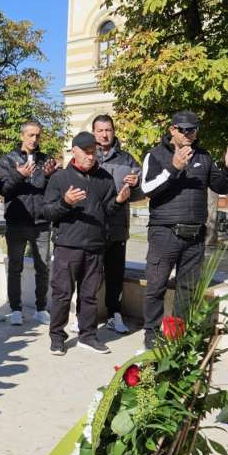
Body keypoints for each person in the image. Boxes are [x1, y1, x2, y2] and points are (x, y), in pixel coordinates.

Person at [140, 110, 228, 350]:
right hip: (165, 232)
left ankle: (175, 337)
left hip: (195, 234)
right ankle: (151, 336)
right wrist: (173, 168)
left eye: (192, 130)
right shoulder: (156, 155)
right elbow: (147, 188)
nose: (188, 134)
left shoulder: (203, 156)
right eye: (183, 130)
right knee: (156, 286)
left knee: (187, 290)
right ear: (172, 130)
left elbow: (221, 186)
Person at [44, 131, 132, 356]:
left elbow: (108, 209)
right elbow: (47, 212)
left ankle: (88, 335)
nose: (91, 157)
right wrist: (65, 202)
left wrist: (119, 201)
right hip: (67, 247)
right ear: (74, 151)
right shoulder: (60, 178)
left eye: (94, 152)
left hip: (95, 247)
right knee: (62, 294)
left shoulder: (104, 178)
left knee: (89, 295)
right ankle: (57, 337)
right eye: (86, 152)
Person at [0, 121, 58, 327]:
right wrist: (19, 175)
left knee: (43, 266)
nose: (34, 139)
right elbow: (4, 190)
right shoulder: (8, 160)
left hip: (41, 221)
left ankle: (41, 308)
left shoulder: (45, 160)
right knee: (15, 267)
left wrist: (49, 176)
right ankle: (15, 309)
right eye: (30, 135)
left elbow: (47, 188)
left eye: (37, 136)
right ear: (22, 136)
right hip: (16, 221)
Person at [92, 114, 142, 333]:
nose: (104, 134)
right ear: (94, 132)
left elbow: (141, 193)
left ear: (113, 131)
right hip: (91, 227)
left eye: (108, 130)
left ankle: (114, 315)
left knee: (114, 276)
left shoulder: (127, 159)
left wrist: (136, 183)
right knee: (89, 275)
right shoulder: (86, 156)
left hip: (117, 228)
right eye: (100, 130)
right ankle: (84, 316)